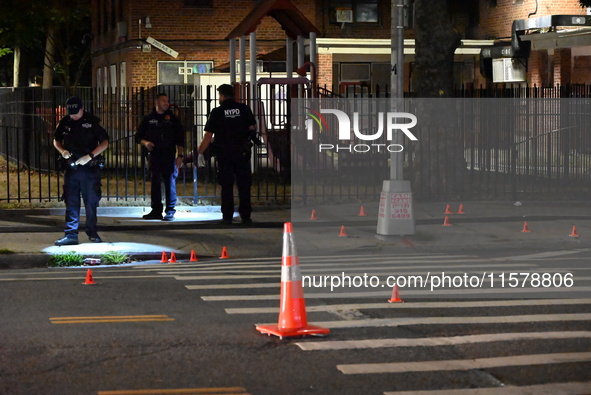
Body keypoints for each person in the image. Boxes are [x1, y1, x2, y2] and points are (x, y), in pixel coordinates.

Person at [197, 84, 257, 225]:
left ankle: (227, 216)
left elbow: (208, 135)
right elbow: (253, 127)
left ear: (222, 96)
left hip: (224, 154)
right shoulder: (244, 109)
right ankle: (246, 216)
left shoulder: (217, 112)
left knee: (226, 186)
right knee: (244, 185)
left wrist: (200, 152)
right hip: (242, 152)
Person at [53, 96, 109, 246]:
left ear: (82, 108)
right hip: (72, 168)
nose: (73, 115)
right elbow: (56, 139)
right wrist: (62, 151)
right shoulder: (65, 122)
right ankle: (71, 234)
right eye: (71, 113)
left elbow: (105, 142)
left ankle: (92, 230)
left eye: (76, 112)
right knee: (71, 201)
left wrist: (90, 156)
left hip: (89, 169)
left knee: (91, 201)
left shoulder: (92, 122)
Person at [135, 93, 185, 221]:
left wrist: (180, 155)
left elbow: (180, 138)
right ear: (156, 102)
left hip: (169, 155)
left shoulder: (173, 119)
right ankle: (156, 210)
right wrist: (146, 143)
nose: (167, 103)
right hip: (155, 155)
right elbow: (138, 137)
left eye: (167, 101)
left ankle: (170, 210)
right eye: (164, 101)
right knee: (155, 183)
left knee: (170, 182)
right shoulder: (149, 119)